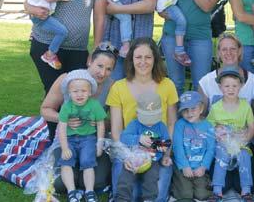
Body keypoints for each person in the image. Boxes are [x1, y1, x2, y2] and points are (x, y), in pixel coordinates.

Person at [28, 0, 107, 94]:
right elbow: (31, 0)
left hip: (78, 48)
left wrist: (96, 48)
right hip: (47, 46)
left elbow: (99, 16)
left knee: (78, 93)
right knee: (53, 92)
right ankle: (52, 119)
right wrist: (30, 8)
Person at [106, 37, 178, 202]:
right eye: (138, 57)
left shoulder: (167, 85)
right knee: (127, 196)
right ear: (131, 59)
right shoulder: (118, 87)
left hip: (157, 152)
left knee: (156, 196)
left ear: (155, 59)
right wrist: (127, 156)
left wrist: (166, 152)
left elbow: (171, 122)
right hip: (129, 149)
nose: (143, 62)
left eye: (148, 57)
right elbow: (117, 131)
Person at [40, 43, 117, 193]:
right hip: (67, 138)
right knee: (61, 184)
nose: (103, 73)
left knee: (97, 183)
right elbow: (45, 110)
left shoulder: (112, 86)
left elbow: (113, 122)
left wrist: (99, 123)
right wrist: (65, 120)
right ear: (90, 61)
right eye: (99, 66)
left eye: (109, 69)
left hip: (92, 140)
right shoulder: (67, 79)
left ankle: (86, 175)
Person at [206, 66, 254, 202]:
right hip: (222, 142)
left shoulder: (245, 106)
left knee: (245, 155)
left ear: (241, 86)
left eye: (234, 86)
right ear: (220, 87)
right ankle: (217, 191)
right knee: (221, 155)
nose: (231, 89)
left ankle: (246, 191)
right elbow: (208, 126)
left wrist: (245, 139)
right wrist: (217, 131)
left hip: (240, 142)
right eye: (226, 86)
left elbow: (252, 127)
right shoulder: (216, 107)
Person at [57, 70, 106, 202]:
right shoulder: (66, 107)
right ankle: (71, 192)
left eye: (84, 91)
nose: (79, 94)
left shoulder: (94, 105)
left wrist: (99, 143)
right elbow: (61, 128)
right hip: (70, 139)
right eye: (75, 91)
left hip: (88, 138)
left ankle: (89, 192)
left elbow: (101, 124)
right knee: (66, 162)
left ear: (90, 92)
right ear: (69, 93)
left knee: (88, 162)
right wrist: (65, 147)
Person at [116, 92, 172, 202]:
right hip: (134, 158)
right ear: (137, 113)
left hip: (152, 159)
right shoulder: (135, 124)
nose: (150, 123)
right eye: (146, 119)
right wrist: (138, 139)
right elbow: (124, 137)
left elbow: (167, 144)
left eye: (153, 118)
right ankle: (122, 199)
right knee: (125, 177)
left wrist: (157, 147)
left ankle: (149, 199)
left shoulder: (161, 126)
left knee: (152, 178)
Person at [198, 33, 254, 109]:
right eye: (224, 49)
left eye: (233, 49)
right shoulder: (206, 82)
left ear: (239, 51)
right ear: (218, 53)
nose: (229, 53)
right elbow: (200, 117)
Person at [171, 91, 215, 201]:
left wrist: (204, 167)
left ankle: (203, 181)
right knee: (185, 195)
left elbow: (211, 149)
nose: (189, 113)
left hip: (199, 167)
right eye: (185, 110)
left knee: (202, 195)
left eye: (193, 109)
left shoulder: (208, 126)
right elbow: (178, 147)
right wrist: (184, 166)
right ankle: (176, 184)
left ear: (201, 109)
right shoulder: (180, 124)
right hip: (183, 167)